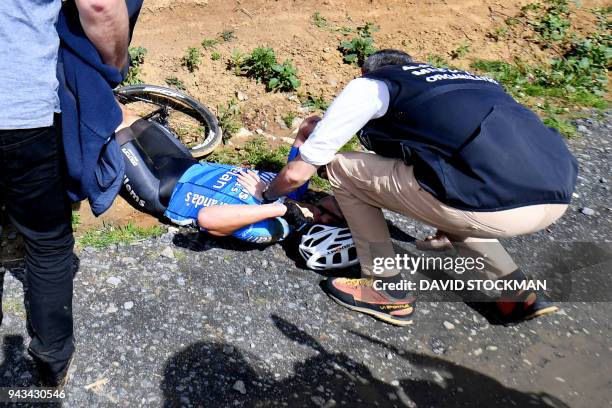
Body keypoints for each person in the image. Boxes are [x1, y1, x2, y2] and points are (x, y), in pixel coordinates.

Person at [254, 49, 578, 326]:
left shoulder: (371, 85)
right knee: (452, 188)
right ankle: (520, 292)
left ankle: (386, 288)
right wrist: (444, 228)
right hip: (556, 193)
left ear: (364, 71)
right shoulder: (469, 80)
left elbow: (298, 173)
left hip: (488, 205)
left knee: (341, 168)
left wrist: (265, 195)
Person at [0, 0, 129, 386]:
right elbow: (100, 5)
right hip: (17, 111)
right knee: (47, 242)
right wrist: (115, 65)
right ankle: (51, 361)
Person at [116, 109, 348, 245]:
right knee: (123, 114)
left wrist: (279, 209)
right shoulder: (294, 182)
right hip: (186, 165)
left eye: (330, 224)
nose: (325, 217)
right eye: (336, 211)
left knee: (112, 127)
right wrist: (325, 153)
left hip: (160, 190)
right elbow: (307, 128)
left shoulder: (274, 228)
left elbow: (207, 218)